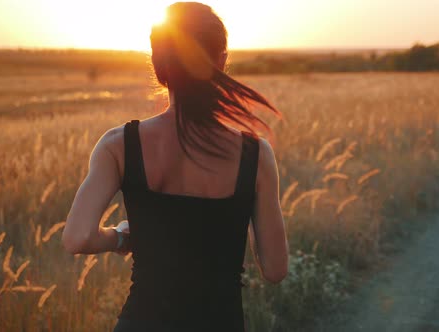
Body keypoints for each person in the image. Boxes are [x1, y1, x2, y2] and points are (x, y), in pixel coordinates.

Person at [61, 2, 289, 331]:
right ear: (222, 62)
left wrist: (122, 237)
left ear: (158, 66)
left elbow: (77, 238)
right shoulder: (256, 155)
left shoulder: (118, 145)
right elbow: (275, 269)